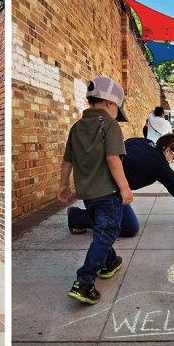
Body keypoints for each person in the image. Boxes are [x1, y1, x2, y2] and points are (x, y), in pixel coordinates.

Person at [57, 75, 132, 305]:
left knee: (102, 230)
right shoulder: (110, 125)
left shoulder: (77, 127)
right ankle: (85, 281)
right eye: (116, 108)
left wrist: (63, 185)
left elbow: (67, 160)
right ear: (111, 103)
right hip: (108, 193)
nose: (116, 113)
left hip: (86, 193)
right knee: (106, 233)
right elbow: (113, 159)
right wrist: (125, 188)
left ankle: (108, 263)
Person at [68, 133, 174, 237]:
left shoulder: (142, 141)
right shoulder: (160, 165)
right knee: (129, 228)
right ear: (167, 150)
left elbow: (124, 147)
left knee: (121, 219)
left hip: (94, 180)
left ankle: (99, 212)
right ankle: (77, 216)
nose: (172, 160)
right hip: (107, 190)